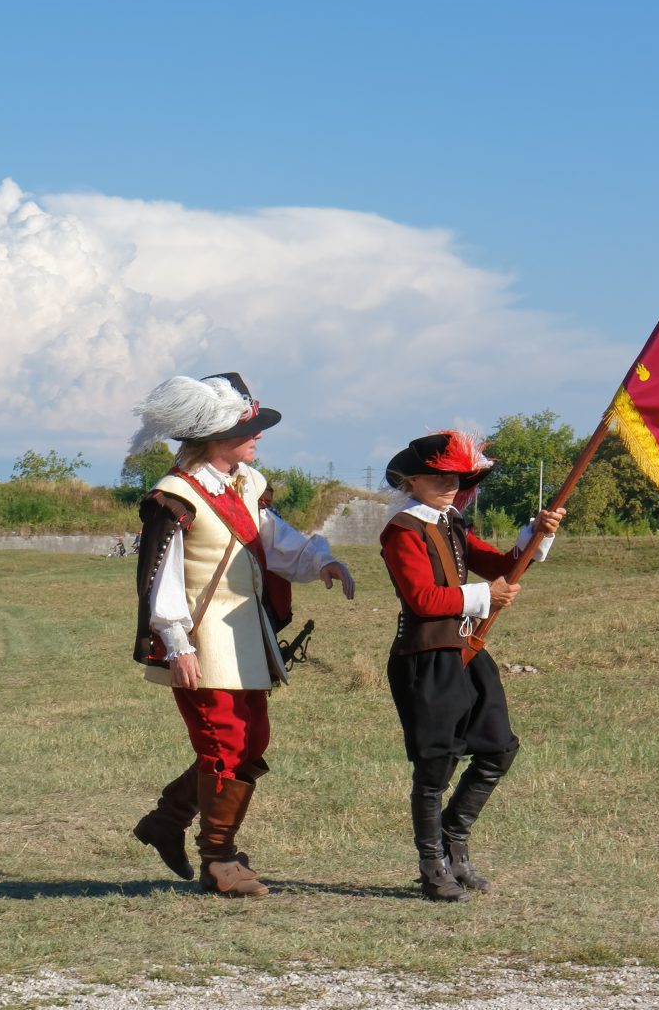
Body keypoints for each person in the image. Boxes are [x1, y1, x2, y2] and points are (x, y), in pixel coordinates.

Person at [126, 373, 355, 898]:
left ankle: (168, 818)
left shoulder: (246, 483)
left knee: (252, 742)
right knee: (223, 743)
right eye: (248, 429)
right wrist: (178, 645)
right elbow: (161, 579)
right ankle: (219, 858)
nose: (259, 436)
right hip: (201, 639)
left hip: (248, 634)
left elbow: (272, 538)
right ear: (215, 437)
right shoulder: (174, 496)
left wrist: (320, 561)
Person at [377, 431, 563, 902]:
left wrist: (537, 534)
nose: (449, 485)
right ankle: (432, 865)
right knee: (435, 765)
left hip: (467, 652)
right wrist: (486, 596)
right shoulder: (402, 530)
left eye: (455, 478)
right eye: (438, 477)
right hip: (424, 658)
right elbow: (422, 599)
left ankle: (452, 842)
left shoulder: (452, 522)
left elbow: (502, 565)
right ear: (412, 481)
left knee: (498, 748)